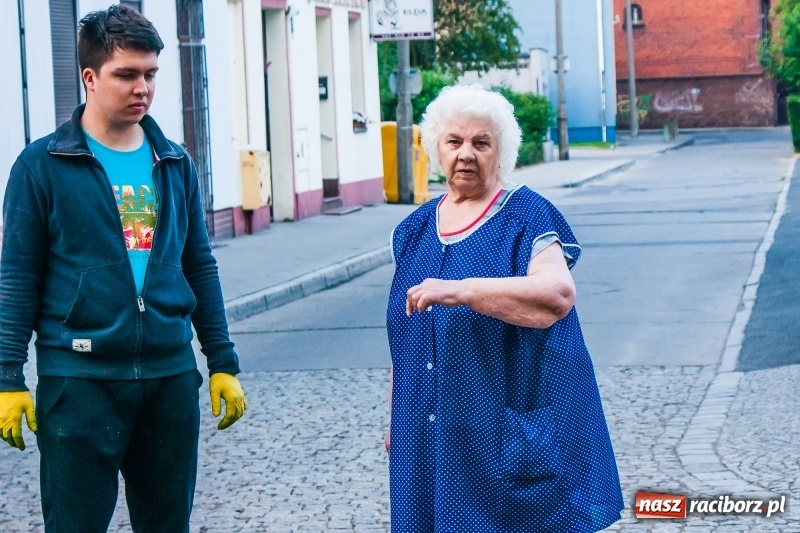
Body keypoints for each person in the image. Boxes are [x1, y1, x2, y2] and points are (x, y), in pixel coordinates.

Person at [0, 5, 246, 532]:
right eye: (127, 75)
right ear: (89, 77)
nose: (143, 88)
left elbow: (199, 265)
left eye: (151, 74)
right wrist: (7, 376)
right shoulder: (41, 166)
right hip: (79, 381)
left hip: (168, 380)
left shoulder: (174, 161)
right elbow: (18, 276)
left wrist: (222, 361)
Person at [384, 84, 624, 532]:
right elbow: (405, 336)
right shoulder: (412, 231)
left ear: (502, 150)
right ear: (437, 148)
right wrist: (396, 417)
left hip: (498, 427)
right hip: (427, 430)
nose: (466, 154)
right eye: (454, 142)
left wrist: (460, 290)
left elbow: (556, 295)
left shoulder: (527, 214)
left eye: (481, 142)